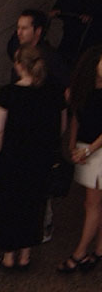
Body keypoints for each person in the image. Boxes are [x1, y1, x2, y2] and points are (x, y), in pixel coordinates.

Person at [0, 45, 65, 269]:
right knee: (33, 205)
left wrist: (0, 152)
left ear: (19, 66)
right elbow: (61, 126)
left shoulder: (9, 93)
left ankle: (8, 256)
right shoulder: (53, 92)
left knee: (9, 205)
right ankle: (25, 255)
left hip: (13, 158)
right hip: (39, 158)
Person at [57, 44, 102, 272]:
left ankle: (79, 253)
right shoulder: (82, 88)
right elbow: (76, 117)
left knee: (92, 204)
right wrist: (74, 145)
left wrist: (88, 150)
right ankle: (99, 250)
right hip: (87, 148)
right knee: (95, 202)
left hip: (97, 150)